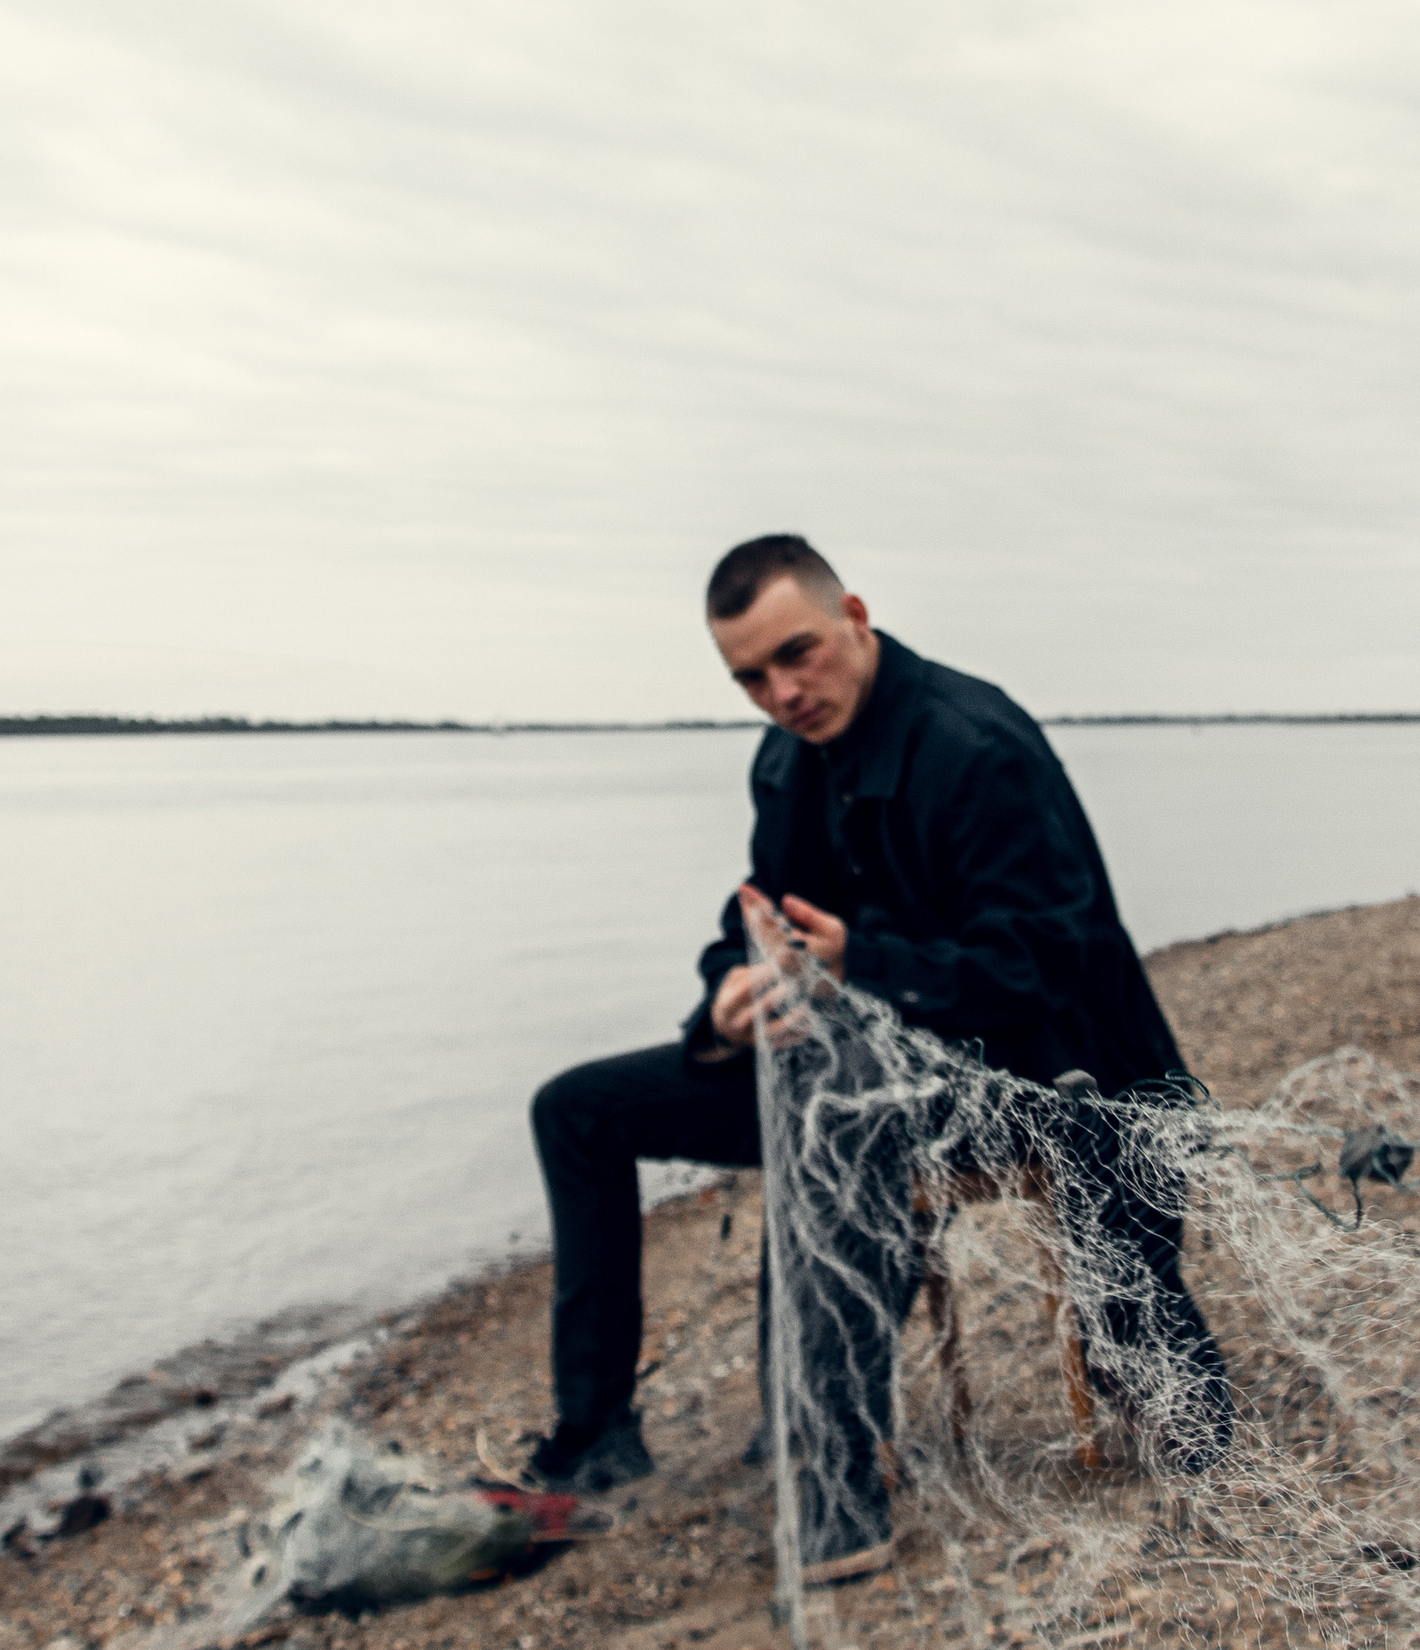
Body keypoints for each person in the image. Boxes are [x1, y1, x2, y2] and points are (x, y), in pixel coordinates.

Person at [523, 536, 1231, 1579]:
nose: (782, 690)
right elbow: (757, 913)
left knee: (1172, 1401)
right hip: (867, 1069)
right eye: (751, 677)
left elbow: (1042, 961)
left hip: (1050, 1073)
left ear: (853, 613)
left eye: (797, 653)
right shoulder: (784, 756)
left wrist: (865, 962)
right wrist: (727, 1000)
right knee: (574, 1109)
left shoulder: (973, 740)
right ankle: (597, 1432)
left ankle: (833, 1463)